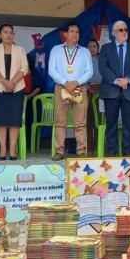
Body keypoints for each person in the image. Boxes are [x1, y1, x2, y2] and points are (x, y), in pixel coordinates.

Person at [48, 22, 93, 160]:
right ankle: (59, 151)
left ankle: (81, 150)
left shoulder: (85, 51)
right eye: (72, 31)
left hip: (79, 88)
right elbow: (51, 70)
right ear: (65, 34)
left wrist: (76, 82)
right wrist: (65, 82)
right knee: (60, 121)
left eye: (77, 32)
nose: (75, 34)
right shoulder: (56, 49)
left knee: (81, 122)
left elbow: (89, 71)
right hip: (62, 87)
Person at [98, 20, 130, 156]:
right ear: (113, 33)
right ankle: (111, 153)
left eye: (126, 30)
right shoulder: (106, 48)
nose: (124, 32)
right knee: (111, 124)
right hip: (111, 91)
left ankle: (127, 152)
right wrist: (117, 81)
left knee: (128, 125)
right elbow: (103, 67)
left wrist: (127, 80)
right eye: (121, 30)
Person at [0, 24, 29, 160]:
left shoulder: (20, 50)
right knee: (1, 120)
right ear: (0, 34)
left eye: (11, 32)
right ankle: (3, 149)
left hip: (17, 89)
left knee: (15, 120)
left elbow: (24, 68)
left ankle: (12, 150)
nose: (8, 35)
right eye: (5, 32)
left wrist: (12, 82)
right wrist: (5, 81)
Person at [86, 39, 102, 154]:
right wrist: (88, 88)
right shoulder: (83, 61)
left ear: (98, 48)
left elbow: (107, 76)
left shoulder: (103, 61)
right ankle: (88, 148)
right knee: (87, 121)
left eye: (94, 46)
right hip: (86, 91)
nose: (92, 48)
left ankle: (97, 148)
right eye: (89, 46)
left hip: (101, 92)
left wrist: (100, 87)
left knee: (99, 121)